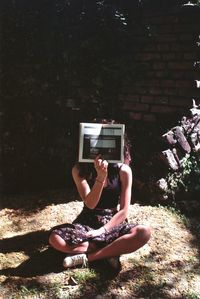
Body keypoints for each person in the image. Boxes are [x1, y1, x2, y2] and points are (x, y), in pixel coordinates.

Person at [49, 119, 151, 270]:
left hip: (112, 221)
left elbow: (123, 211)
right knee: (54, 239)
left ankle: (89, 258)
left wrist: (103, 230)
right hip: (87, 220)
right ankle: (110, 251)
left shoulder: (123, 170)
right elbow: (90, 204)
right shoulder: (79, 169)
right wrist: (100, 178)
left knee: (143, 232)